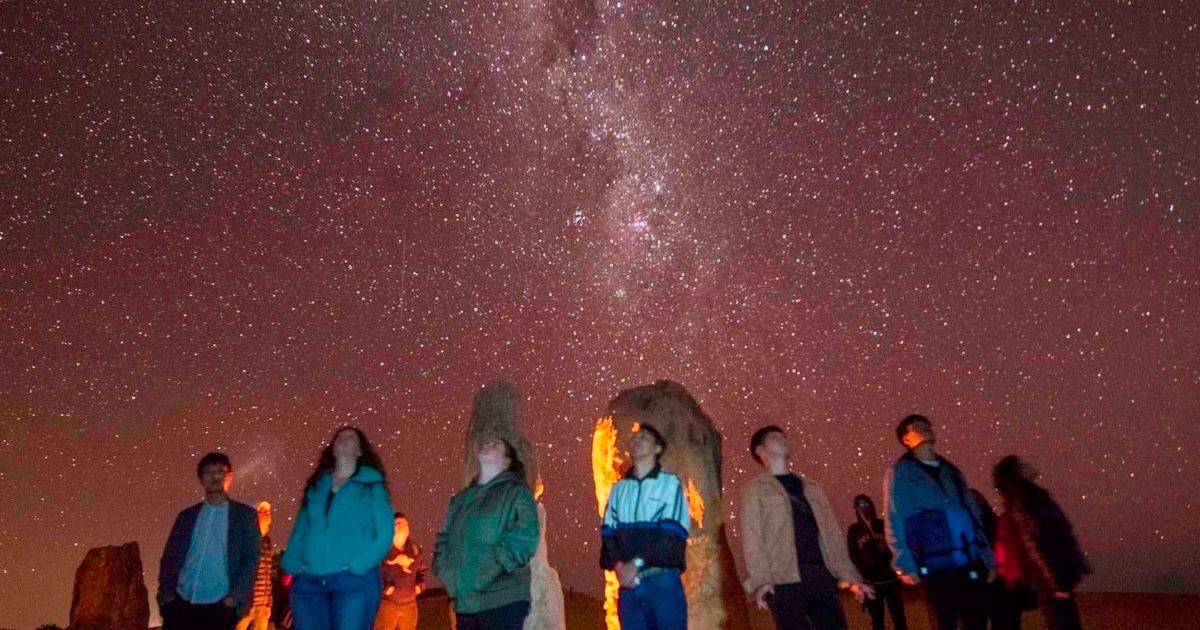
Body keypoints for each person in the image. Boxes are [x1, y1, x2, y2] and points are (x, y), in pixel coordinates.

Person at [740, 425, 872, 630]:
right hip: (783, 579)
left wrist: (851, 577)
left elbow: (831, 535)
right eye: (775, 436)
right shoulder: (754, 490)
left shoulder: (812, 487)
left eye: (784, 435)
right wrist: (761, 580)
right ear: (760, 450)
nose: (783, 438)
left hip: (820, 573)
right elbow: (752, 539)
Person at [883, 414, 994, 630]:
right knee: (946, 622)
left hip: (968, 560)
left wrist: (987, 558)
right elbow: (895, 517)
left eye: (926, 425)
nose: (924, 428)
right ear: (906, 440)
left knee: (978, 621)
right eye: (916, 426)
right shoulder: (901, 472)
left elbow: (973, 516)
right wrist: (904, 564)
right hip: (935, 565)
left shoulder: (952, 471)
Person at [282, 427, 395, 630]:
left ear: (360, 451)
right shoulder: (316, 487)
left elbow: (385, 533)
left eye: (351, 437)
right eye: (339, 437)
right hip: (310, 582)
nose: (344, 438)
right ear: (332, 448)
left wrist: (358, 566)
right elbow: (301, 529)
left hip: (353, 582)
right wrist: (290, 562)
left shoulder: (372, 487)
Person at [434, 437, 540, 630]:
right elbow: (444, 539)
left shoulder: (516, 493)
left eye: (496, 444)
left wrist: (490, 569)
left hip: (502, 598)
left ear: (507, 460)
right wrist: (447, 575)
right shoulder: (460, 499)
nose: (487, 442)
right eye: (486, 441)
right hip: (466, 601)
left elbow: (525, 537)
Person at [599, 423, 691, 630]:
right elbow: (608, 535)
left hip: (662, 581)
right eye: (634, 438)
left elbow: (672, 534)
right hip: (628, 587)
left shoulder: (670, 484)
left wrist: (636, 563)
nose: (637, 440)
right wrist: (619, 567)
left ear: (657, 448)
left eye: (644, 437)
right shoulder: (618, 490)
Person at [158, 452, 261, 630]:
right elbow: (170, 557)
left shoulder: (244, 517)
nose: (215, 476)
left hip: (220, 608)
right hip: (180, 605)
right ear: (201, 479)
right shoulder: (186, 517)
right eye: (208, 472)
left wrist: (235, 599)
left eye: (220, 471)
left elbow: (250, 560)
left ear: (230, 477)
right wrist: (167, 597)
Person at [993, 456, 1090, 630]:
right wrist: (1054, 582)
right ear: (1016, 473)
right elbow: (1033, 544)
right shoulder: (1023, 501)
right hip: (1052, 578)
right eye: (1021, 464)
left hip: (1058, 575)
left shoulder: (1034, 498)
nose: (1028, 465)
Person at [847, 495, 906, 630]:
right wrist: (864, 574)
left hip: (891, 580)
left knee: (899, 619)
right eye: (860, 505)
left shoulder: (882, 525)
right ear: (856, 509)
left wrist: (886, 550)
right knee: (877, 621)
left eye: (866, 504)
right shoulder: (854, 530)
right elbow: (853, 555)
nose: (864, 508)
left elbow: (895, 546)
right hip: (872, 583)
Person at [373, 512, 428, 630]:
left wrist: (419, 587)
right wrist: (386, 589)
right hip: (387, 605)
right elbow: (373, 573)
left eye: (405, 524)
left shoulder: (414, 549)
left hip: (409, 605)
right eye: (399, 524)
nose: (403, 526)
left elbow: (423, 570)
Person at [236, 501, 276, 630]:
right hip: (247, 603)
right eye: (262, 511)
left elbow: (267, 575)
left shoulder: (266, 542)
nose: (266, 514)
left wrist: (268, 603)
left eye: (268, 512)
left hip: (262, 606)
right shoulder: (246, 538)